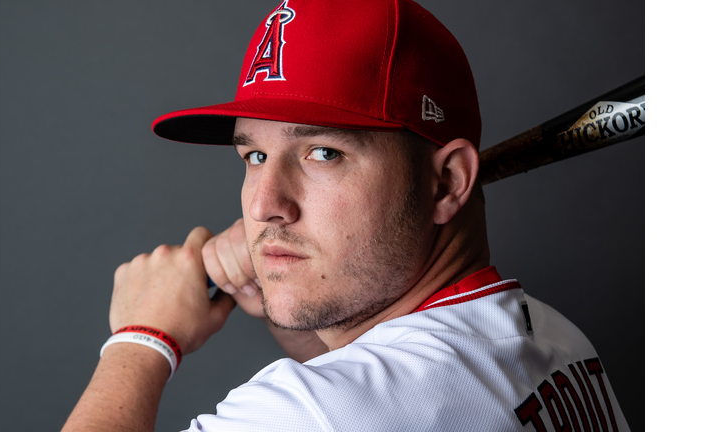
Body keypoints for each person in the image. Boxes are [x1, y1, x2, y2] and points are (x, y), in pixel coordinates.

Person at [62, 0, 629, 431]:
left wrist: (142, 339)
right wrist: (286, 298)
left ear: (448, 181)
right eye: (255, 155)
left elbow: (355, 401)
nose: (264, 206)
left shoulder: (312, 415)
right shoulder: (547, 335)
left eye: (323, 153)